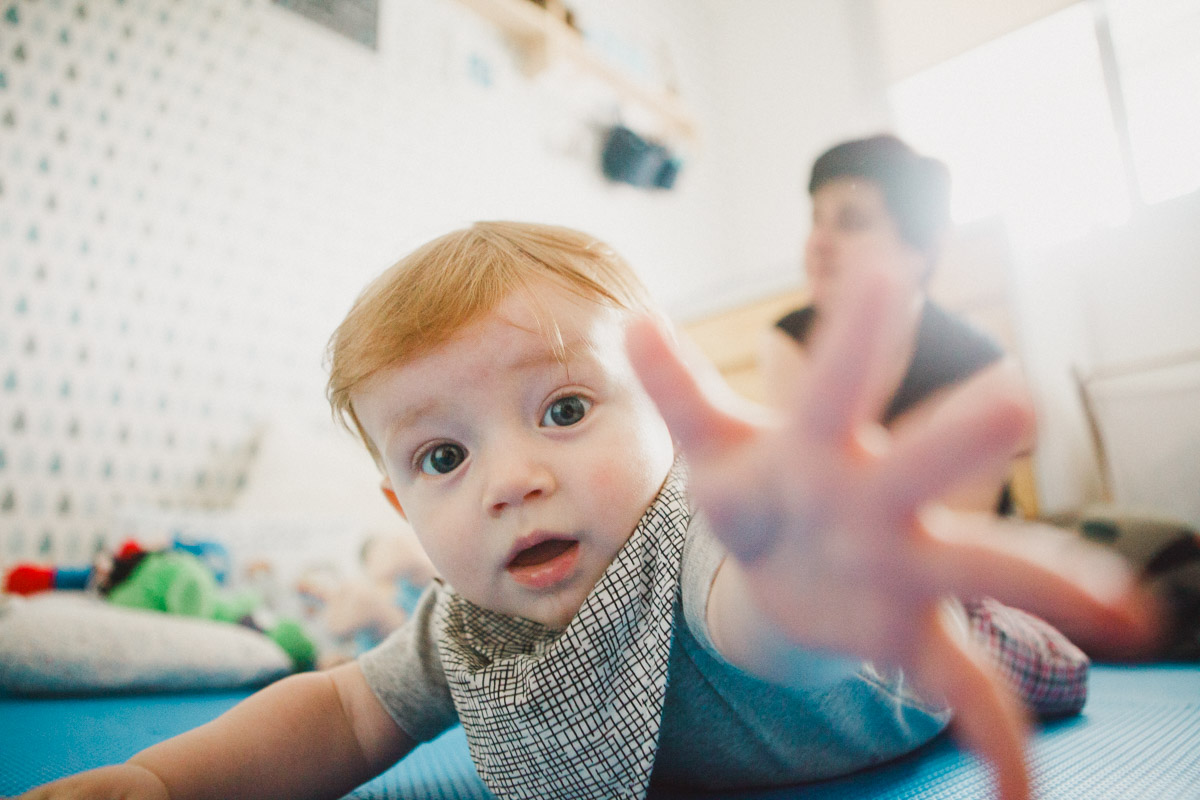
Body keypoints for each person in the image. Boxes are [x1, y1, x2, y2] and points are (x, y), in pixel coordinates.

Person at [20, 221, 1157, 800]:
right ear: (398, 502)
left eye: (564, 406)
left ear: (666, 417)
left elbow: (754, 616)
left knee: (1036, 651)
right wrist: (161, 778)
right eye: (444, 454)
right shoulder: (467, 626)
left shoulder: (704, 539)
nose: (510, 477)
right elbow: (339, 715)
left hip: (882, 647)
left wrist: (805, 586)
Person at [770, 134, 1025, 514]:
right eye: (815, 219)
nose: (817, 243)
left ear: (921, 249)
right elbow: (803, 499)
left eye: (851, 221)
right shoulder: (788, 340)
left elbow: (944, 542)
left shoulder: (982, 370)